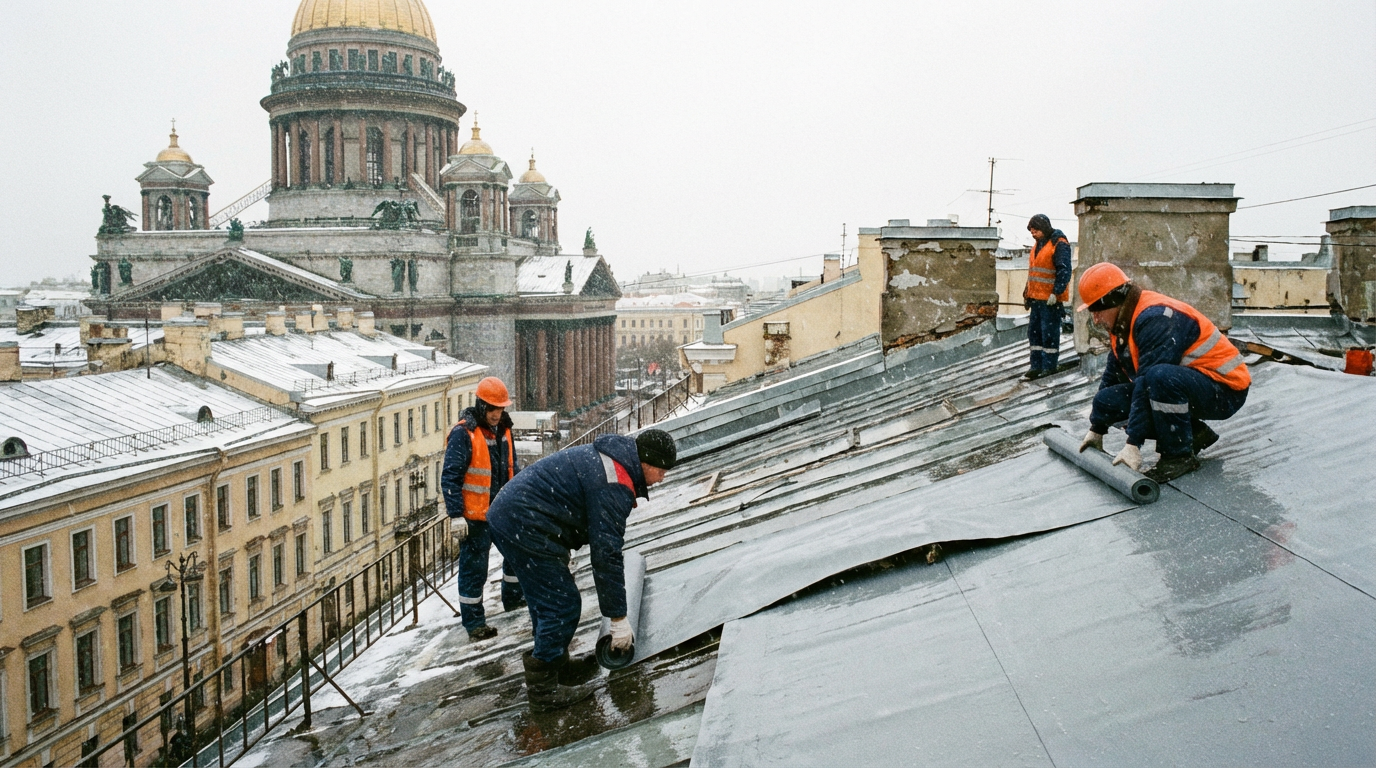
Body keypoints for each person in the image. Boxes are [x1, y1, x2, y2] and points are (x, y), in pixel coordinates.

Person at [487, 429, 677, 712]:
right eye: (661, 471)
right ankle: (543, 692)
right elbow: (606, 554)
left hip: (520, 516)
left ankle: (558, 666)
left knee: (549, 601)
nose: (662, 478)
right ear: (646, 463)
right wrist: (618, 619)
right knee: (561, 604)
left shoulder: (618, 462)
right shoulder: (615, 483)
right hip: (524, 522)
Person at [1075, 262, 1250, 483]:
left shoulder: (1156, 318)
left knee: (1159, 378)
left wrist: (1133, 444)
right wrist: (1097, 428)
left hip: (1225, 390)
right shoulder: (1122, 323)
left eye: (1096, 310)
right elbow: (1113, 372)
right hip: (1191, 385)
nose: (1095, 319)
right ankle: (1194, 434)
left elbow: (1147, 382)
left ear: (1114, 301)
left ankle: (1178, 456)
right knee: (1108, 400)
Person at [441, 377, 523, 641]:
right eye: (491, 409)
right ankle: (475, 624)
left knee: (517, 556)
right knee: (474, 571)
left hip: (503, 511)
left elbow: (513, 468)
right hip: (475, 518)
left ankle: (514, 601)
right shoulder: (463, 433)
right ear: (480, 405)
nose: (496, 414)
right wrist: (456, 515)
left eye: (500, 408)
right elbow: (450, 477)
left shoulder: (505, 430)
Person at [1021, 213, 1074, 381]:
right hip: (1036, 298)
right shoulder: (1038, 245)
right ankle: (1036, 366)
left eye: (1035, 231)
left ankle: (1049, 366)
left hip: (1050, 300)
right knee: (1035, 333)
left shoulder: (1059, 244)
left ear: (1043, 228)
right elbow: (1034, 273)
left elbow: (1064, 270)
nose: (1033, 234)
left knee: (1049, 333)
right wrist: (1027, 293)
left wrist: (1056, 293)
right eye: (1031, 231)